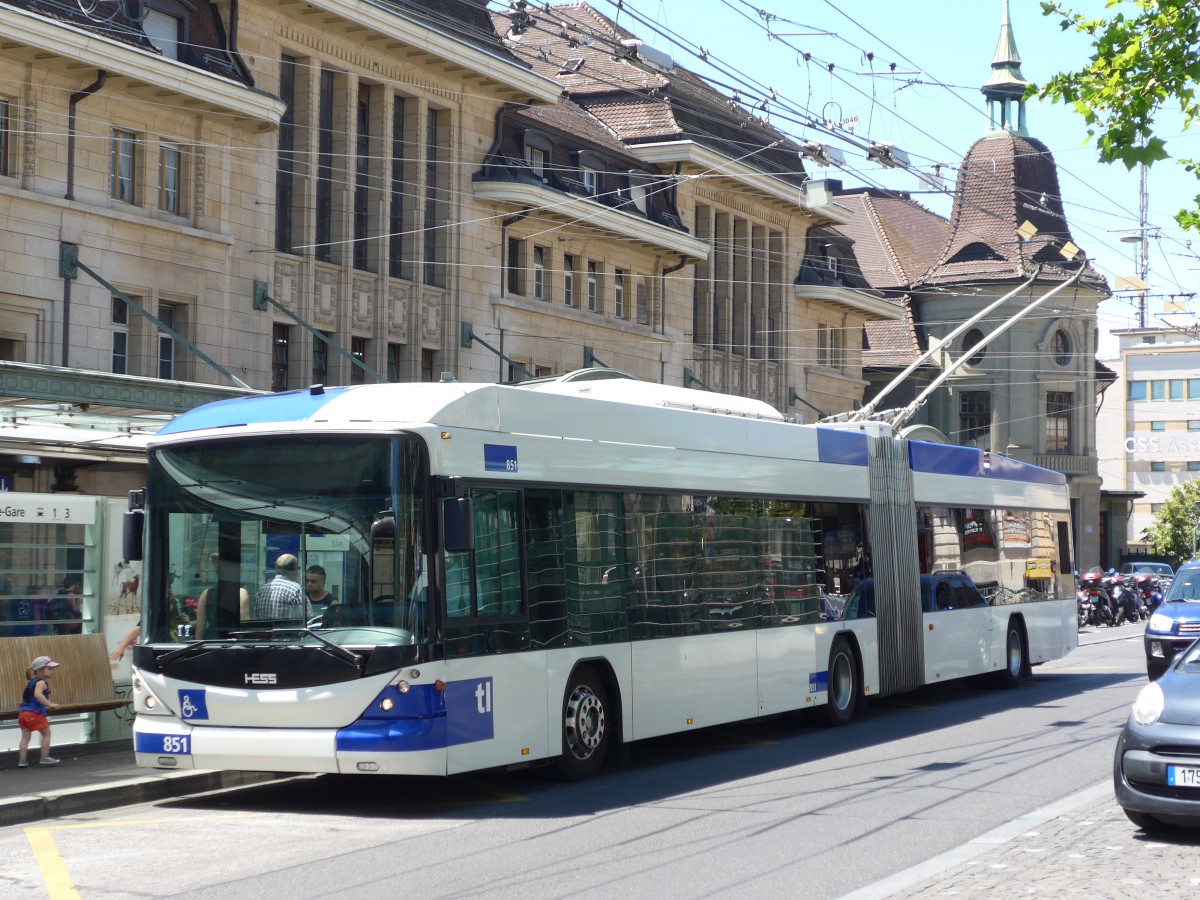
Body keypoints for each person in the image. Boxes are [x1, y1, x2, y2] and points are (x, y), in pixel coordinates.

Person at [18, 656, 62, 767]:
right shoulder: (41, 682)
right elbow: (38, 695)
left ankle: (22, 761)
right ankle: (45, 757)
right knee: (46, 734)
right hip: (34, 713)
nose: (52, 671)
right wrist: (49, 704)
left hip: (23, 713)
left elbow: (28, 697)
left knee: (25, 737)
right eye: (49, 669)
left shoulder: (31, 682)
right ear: (39, 671)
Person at [195, 554, 250, 638]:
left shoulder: (205, 594)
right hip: (232, 644)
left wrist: (196, 649)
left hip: (211, 643)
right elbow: (245, 626)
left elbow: (199, 628)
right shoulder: (241, 593)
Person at [255, 554, 311, 620]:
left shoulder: (261, 590)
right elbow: (308, 618)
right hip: (290, 630)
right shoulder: (296, 590)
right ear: (295, 570)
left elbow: (257, 617)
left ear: (276, 570)